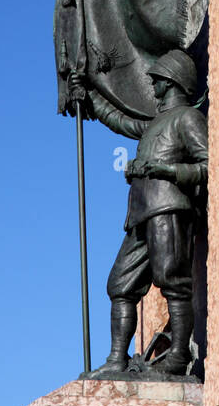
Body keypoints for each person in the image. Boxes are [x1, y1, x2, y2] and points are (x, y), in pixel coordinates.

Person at [72, 49, 207, 378]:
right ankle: (117, 359)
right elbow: (121, 120)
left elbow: (208, 165)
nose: (153, 87)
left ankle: (177, 356)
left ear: (170, 82)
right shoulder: (155, 123)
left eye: (157, 81)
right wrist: (87, 94)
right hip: (141, 216)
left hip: (169, 208)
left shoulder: (188, 118)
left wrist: (164, 169)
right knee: (119, 284)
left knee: (172, 281)